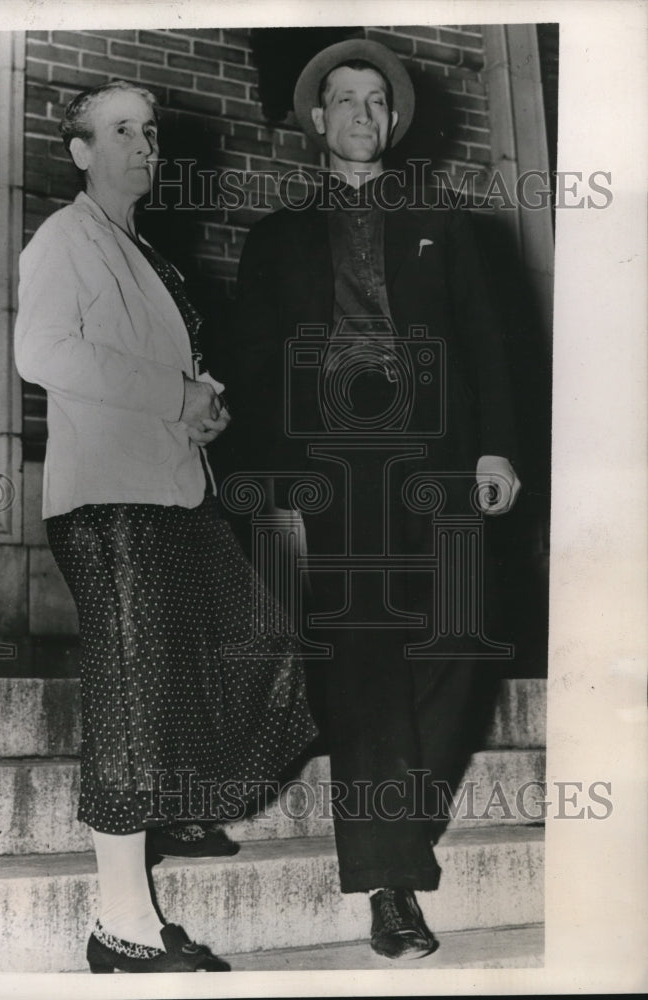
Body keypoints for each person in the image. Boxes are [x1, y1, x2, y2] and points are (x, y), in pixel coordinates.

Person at [14, 80, 317, 974]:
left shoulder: (141, 249)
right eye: (118, 132)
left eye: (148, 131)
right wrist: (172, 395)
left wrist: (200, 409)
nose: (143, 145)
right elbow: (42, 351)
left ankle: (181, 798)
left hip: (172, 491)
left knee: (262, 646)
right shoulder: (64, 237)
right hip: (110, 505)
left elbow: (154, 368)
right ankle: (121, 926)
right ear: (78, 151)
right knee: (131, 702)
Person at [229, 39, 521, 960]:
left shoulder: (447, 222)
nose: (359, 116)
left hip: (437, 452)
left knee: (452, 647)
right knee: (362, 666)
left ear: (391, 122)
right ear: (316, 119)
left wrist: (497, 449)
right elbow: (254, 365)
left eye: (374, 103)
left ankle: (401, 824)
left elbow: (486, 345)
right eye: (341, 101)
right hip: (334, 465)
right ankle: (388, 878)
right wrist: (270, 484)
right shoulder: (275, 237)